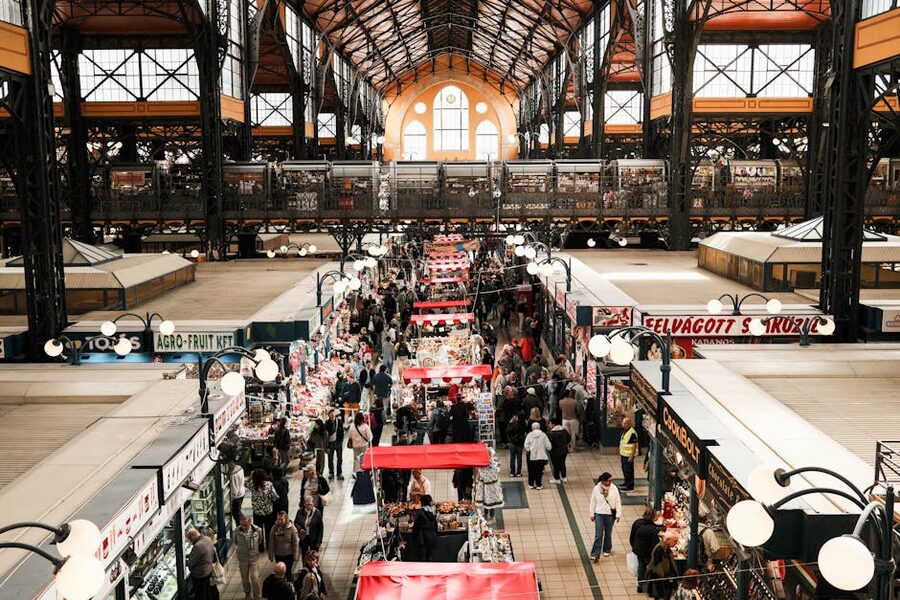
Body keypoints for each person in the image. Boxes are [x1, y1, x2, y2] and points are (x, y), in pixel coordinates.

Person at [630, 506, 665, 593]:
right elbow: (655, 543)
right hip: (647, 552)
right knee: (648, 567)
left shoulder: (637, 523)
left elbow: (632, 536)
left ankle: (640, 584)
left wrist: (634, 546)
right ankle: (648, 585)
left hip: (637, 549)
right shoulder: (652, 529)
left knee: (641, 565)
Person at [589, 472, 622, 561]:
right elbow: (593, 501)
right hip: (599, 513)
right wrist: (592, 514)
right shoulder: (596, 488)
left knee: (608, 533)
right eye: (609, 480)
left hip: (610, 514)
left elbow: (618, 501)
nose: (611, 482)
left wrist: (618, 514)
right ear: (603, 481)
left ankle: (607, 549)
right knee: (598, 535)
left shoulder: (614, 488)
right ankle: (595, 553)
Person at [234, 515, 264, 600]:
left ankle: (256, 595)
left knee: (255, 578)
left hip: (253, 558)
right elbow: (236, 542)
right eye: (242, 525)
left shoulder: (257, 530)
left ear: (250, 523)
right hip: (242, 558)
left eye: (245, 525)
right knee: (244, 578)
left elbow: (260, 540)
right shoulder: (236, 531)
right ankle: (247, 593)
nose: (243, 527)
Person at [645, 531, 679, 599]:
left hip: (664, 578)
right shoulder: (660, 549)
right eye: (675, 541)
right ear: (668, 539)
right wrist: (667, 578)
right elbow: (659, 567)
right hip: (661, 579)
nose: (676, 543)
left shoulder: (665, 547)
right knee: (662, 596)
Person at [185, 528, 216, 600]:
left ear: (193, 536)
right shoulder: (207, 539)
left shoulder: (198, 546)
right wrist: (189, 555)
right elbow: (202, 554)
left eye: (190, 539)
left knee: (200, 595)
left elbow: (191, 563)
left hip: (200, 574)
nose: (190, 541)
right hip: (208, 571)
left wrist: (182, 562)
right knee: (207, 592)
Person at [250, 469, 280, 543]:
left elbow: (245, 483)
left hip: (257, 512)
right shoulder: (269, 484)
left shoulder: (253, 485)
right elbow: (275, 497)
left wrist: (250, 476)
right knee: (269, 529)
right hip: (268, 511)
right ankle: (269, 544)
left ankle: (260, 546)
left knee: (258, 530)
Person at [268, 511, 300, 576]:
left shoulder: (292, 528)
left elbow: (296, 542)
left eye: (281, 519)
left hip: (289, 555)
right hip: (278, 554)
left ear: (285, 519)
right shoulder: (274, 528)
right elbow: (271, 542)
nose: (279, 521)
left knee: (288, 572)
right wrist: (271, 555)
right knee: (280, 572)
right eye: (278, 519)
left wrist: (295, 556)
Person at [523, 421, 551, 490]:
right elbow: (549, 446)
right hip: (541, 456)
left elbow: (526, 445)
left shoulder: (530, 435)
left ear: (532, 428)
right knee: (539, 471)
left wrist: (529, 450)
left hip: (531, 456)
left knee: (531, 470)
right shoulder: (543, 435)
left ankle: (531, 484)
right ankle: (539, 485)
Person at [411, 494, 439, 562]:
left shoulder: (419, 512)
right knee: (430, 556)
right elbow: (435, 526)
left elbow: (416, 526)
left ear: (421, 503)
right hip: (432, 537)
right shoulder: (432, 513)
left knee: (422, 557)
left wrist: (414, 537)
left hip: (422, 538)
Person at [547, 418, 571, 484]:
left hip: (554, 452)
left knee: (555, 465)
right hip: (564, 451)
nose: (549, 425)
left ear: (553, 424)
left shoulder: (551, 433)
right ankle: (564, 477)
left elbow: (549, 443)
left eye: (550, 423)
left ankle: (557, 478)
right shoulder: (564, 431)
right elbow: (569, 438)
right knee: (562, 464)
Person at [619, 417, 639, 491]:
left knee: (629, 471)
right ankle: (626, 482)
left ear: (630, 424)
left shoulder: (632, 433)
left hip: (628, 455)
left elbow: (634, 445)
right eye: (623, 423)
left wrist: (631, 456)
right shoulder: (626, 431)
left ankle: (630, 485)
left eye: (626, 423)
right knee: (624, 469)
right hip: (624, 454)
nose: (624, 424)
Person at [324, 409, 344, 481]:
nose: (332, 415)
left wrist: (341, 441)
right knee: (330, 458)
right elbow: (326, 436)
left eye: (333, 414)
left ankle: (339, 473)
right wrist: (327, 446)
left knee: (340, 458)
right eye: (330, 414)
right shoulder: (326, 423)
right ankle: (331, 472)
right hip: (330, 443)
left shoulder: (339, 422)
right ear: (328, 415)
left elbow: (342, 432)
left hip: (338, 442)